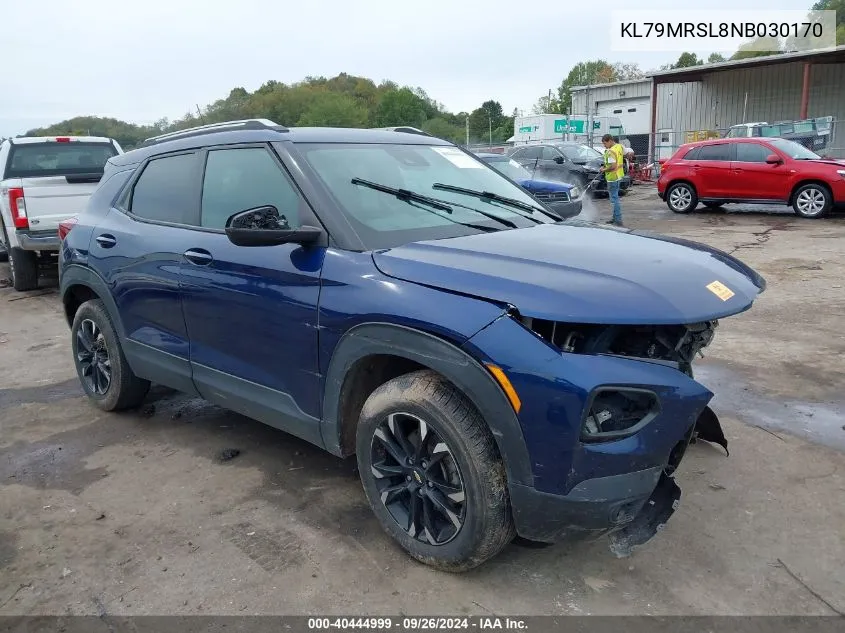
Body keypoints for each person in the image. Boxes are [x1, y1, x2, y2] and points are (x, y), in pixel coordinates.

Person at [600, 134, 625, 226]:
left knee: (614, 200)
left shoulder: (611, 151)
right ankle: (615, 218)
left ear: (610, 141)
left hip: (612, 178)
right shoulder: (619, 147)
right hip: (618, 176)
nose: (604, 146)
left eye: (605, 143)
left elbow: (613, 166)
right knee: (616, 199)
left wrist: (604, 169)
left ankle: (617, 220)